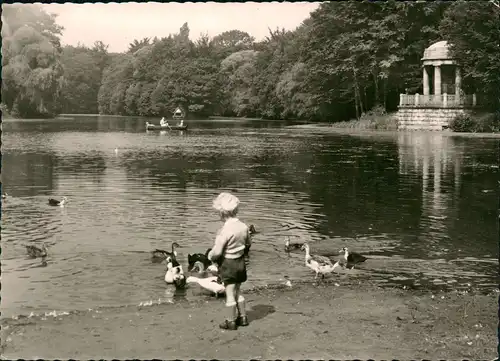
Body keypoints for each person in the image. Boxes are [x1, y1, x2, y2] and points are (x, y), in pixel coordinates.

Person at [208, 192, 251, 330]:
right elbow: (248, 244)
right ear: (236, 209)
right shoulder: (244, 227)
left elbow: (218, 252)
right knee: (238, 290)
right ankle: (243, 317)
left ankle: (230, 321)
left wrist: (211, 256)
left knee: (229, 292)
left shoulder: (224, 231)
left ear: (221, 213)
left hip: (229, 264)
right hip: (240, 263)